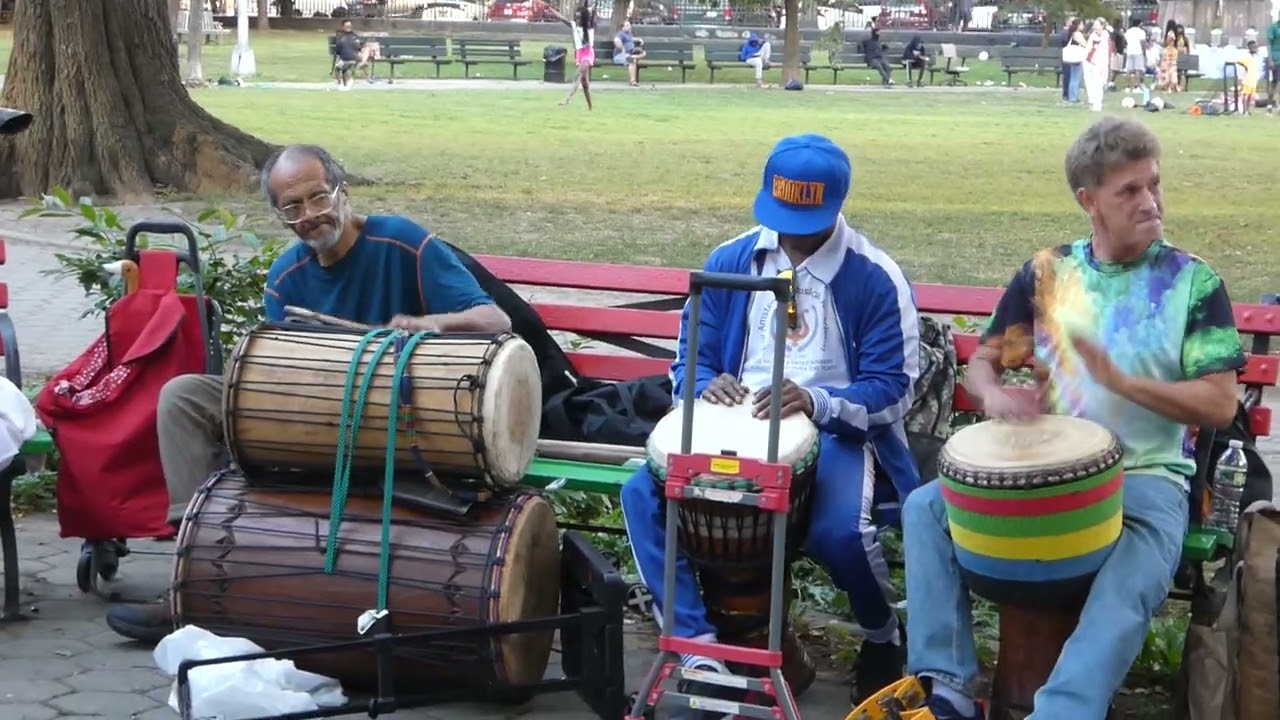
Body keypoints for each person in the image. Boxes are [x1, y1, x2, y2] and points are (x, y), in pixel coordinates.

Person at [900, 117, 1244, 720]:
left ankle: (1064, 711)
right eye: (1129, 190)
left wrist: (1124, 383)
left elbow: (1221, 403)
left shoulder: (1192, 281)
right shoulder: (1049, 274)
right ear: (1089, 201)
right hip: (1049, 475)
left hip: (1146, 477)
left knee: (1130, 578)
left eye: (1154, 183)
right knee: (925, 508)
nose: (1151, 201)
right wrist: (994, 396)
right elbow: (983, 363)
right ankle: (947, 686)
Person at [103, 144, 513, 643]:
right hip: (311, 415)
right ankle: (192, 571)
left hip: (404, 415)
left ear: (343, 192)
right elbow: (279, 370)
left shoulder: (402, 243)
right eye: (292, 207)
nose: (310, 215)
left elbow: (496, 320)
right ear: (280, 215)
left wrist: (433, 324)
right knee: (184, 397)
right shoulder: (285, 278)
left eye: (319, 197)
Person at [620, 134, 923, 708]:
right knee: (642, 494)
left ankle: (883, 634)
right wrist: (706, 385)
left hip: (834, 433)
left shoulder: (874, 275)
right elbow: (690, 356)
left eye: (806, 221)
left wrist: (815, 401)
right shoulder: (730, 261)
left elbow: (894, 389)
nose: (792, 233)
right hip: (734, 423)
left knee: (841, 532)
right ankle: (697, 648)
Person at [549, 0, 596, 110]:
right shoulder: (574, 25)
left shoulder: (589, 26)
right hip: (579, 53)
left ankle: (567, 99)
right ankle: (590, 107)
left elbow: (593, 14)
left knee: (578, 74)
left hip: (588, 53)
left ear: (584, 18)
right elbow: (562, 18)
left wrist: (592, 9)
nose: (577, 19)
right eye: (576, 17)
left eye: (579, 17)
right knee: (584, 83)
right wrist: (552, 10)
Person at [1083, 18, 1111, 111]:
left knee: (1098, 83)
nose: (1094, 27)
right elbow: (1088, 48)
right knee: (1090, 83)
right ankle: (1092, 101)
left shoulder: (1105, 35)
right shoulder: (1092, 35)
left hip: (1099, 63)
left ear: (1102, 26)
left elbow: (1103, 50)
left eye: (1096, 25)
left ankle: (1097, 104)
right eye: (1094, 25)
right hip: (1089, 61)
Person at [613, 20, 646, 87]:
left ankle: (633, 57)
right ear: (623, 27)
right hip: (619, 55)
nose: (629, 27)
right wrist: (622, 48)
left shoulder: (629, 34)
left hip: (629, 54)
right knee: (631, 60)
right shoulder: (620, 34)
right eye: (627, 25)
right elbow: (616, 40)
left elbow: (631, 39)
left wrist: (639, 39)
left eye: (629, 25)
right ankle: (632, 81)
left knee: (643, 54)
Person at [1235, 40, 1264, 114]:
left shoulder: (1256, 57)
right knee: (1245, 94)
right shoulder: (1246, 56)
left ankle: (1248, 110)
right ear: (1249, 47)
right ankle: (1244, 111)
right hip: (1247, 79)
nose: (1255, 48)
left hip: (1253, 79)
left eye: (1256, 47)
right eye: (1254, 47)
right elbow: (1238, 61)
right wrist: (1245, 66)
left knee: (1250, 96)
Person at [1062, 18, 1086, 104]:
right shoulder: (1077, 34)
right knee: (1076, 78)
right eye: (1082, 24)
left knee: (1073, 77)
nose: (1083, 26)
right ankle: (1073, 97)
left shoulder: (1071, 33)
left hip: (1071, 58)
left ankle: (1071, 96)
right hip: (1077, 58)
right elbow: (1084, 44)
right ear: (1078, 25)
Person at [1122, 17, 1148, 92]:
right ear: (1139, 24)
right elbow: (1143, 43)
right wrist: (1144, 52)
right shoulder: (1141, 32)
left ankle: (1127, 87)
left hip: (1129, 51)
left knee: (1129, 70)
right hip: (1138, 52)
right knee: (1138, 69)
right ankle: (1136, 87)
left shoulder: (1128, 31)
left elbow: (1125, 41)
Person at [1268, 15, 1280, 104]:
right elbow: (1269, 45)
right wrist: (1270, 59)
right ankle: (1270, 104)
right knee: (1275, 82)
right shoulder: (1273, 27)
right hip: (1276, 58)